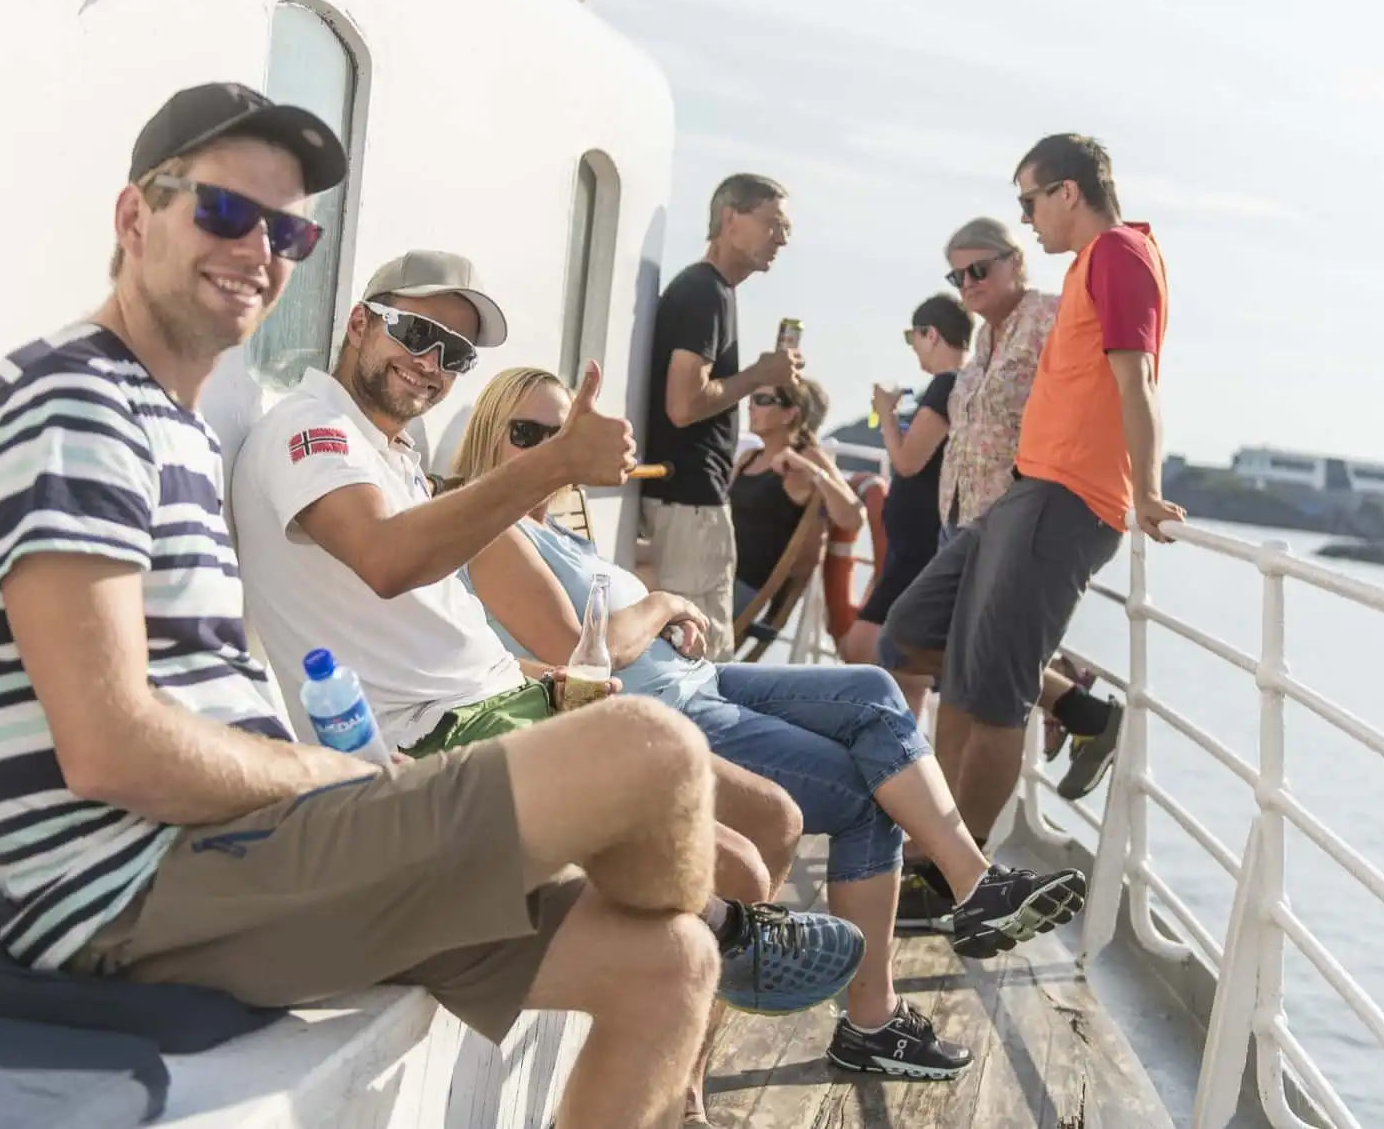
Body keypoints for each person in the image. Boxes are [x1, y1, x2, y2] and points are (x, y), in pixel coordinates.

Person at [0, 85, 710, 1129]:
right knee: (649, 753)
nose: (258, 248)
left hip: (246, 856)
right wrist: (338, 776)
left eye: (287, 228)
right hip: (138, 887)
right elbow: (108, 750)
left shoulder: (177, 425)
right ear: (132, 218)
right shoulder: (72, 403)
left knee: (669, 963)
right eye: (221, 212)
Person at [225, 252, 864, 1122]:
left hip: (507, 705)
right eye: (417, 332)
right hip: (434, 747)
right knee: (729, 854)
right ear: (360, 321)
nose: (432, 362)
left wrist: (549, 678)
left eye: (454, 354)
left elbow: (441, 632)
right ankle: (721, 954)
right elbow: (383, 560)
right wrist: (553, 461)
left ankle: (703, 1009)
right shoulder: (313, 429)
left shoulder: (394, 451)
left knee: (763, 816)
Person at [456, 368, 1098, 1081]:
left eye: (561, 434)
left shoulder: (552, 525)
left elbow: (611, 622)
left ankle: (970, 890)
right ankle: (879, 1013)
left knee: (873, 689)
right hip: (664, 717)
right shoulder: (488, 525)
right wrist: (665, 603)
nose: (548, 450)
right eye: (527, 435)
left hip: (700, 680)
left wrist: (672, 630)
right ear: (488, 434)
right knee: (869, 790)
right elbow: (577, 645)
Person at [880, 134, 1185, 928]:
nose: (1028, 218)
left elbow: (1136, 376)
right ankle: (937, 853)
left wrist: (1147, 490)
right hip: (1020, 494)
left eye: (1030, 201)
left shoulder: (1119, 252)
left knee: (994, 694)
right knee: (913, 634)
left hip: (1067, 497)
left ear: (1070, 193)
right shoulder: (1090, 266)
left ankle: (960, 880)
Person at [641, 174, 803, 659]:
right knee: (703, 654)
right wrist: (759, 375)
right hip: (692, 498)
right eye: (774, 224)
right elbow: (684, 404)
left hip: (684, 496)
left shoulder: (708, 291)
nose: (783, 239)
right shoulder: (705, 293)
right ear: (730, 219)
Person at [840, 293, 971, 715]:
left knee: (869, 648)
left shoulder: (947, 384)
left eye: (912, 337)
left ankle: (898, 758)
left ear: (930, 333)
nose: (913, 347)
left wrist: (884, 413)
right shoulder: (963, 385)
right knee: (904, 669)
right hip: (917, 541)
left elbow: (908, 461)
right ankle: (900, 760)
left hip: (920, 545)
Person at [935, 218, 1057, 540]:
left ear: (1015, 262)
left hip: (1008, 522)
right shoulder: (985, 334)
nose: (967, 283)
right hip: (957, 517)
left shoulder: (1049, 318)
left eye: (978, 270)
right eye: (957, 276)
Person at [728, 377, 863, 626]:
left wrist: (807, 467)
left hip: (738, 584)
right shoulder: (749, 457)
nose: (751, 406)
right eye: (751, 399)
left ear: (790, 414)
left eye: (762, 400)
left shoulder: (806, 459)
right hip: (715, 567)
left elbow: (853, 518)